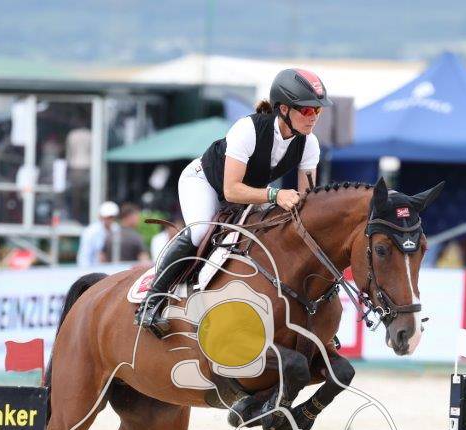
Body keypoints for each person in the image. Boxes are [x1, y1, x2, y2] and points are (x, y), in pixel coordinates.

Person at [136, 67, 330, 334]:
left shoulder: (309, 144)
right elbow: (231, 191)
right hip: (205, 182)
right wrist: (275, 195)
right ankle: (151, 301)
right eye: (307, 110)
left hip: (247, 193)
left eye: (318, 111)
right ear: (284, 109)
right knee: (201, 231)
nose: (314, 117)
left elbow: (307, 201)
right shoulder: (248, 129)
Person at [77, 200, 119, 266]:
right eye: (107, 217)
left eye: (111, 217)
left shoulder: (116, 229)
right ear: (101, 217)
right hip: (93, 268)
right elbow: (84, 256)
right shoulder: (91, 232)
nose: (109, 220)